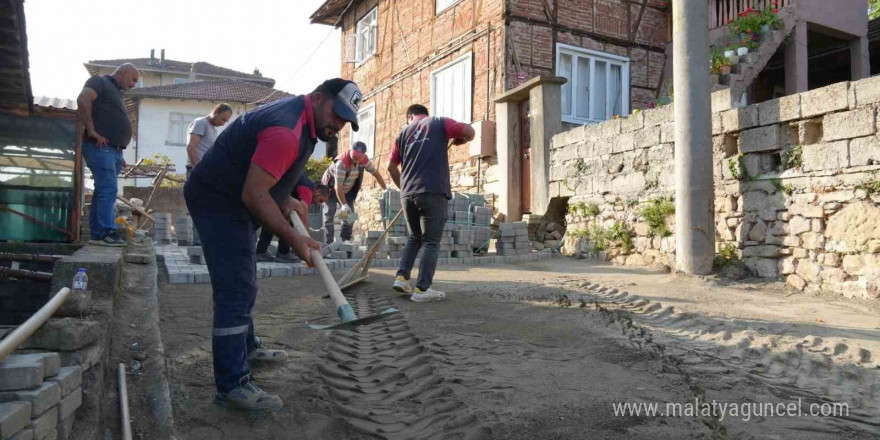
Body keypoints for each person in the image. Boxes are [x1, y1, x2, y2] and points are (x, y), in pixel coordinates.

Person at [184, 78, 362, 411]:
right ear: (319, 97)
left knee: (244, 276)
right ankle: (232, 385)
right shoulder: (287, 129)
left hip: (234, 196)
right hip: (217, 200)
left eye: (345, 120)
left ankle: (246, 346)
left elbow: (274, 184)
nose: (338, 124)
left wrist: (287, 201)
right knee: (236, 287)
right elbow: (254, 194)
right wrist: (293, 236)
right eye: (336, 114)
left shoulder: (310, 127)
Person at [387, 104, 474, 302]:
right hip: (433, 191)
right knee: (431, 241)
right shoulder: (439, 122)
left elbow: (391, 167)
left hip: (408, 194)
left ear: (410, 116)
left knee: (414, 237)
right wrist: (461, 139)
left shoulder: (402, 134)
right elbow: (470, 131)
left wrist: (405, 189)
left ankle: (401, 277)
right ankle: (422, 289)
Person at [76, 63, 139, 246]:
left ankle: (98, 234)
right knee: (108, 189)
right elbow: (83, 99)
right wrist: (92, 130)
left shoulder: (116, 93)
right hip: (100, 147)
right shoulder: (100, 82)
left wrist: (118, 150)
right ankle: (106, 232)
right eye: (133, 79)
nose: (134, 84)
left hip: (113, 151)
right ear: (123, 72)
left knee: (103, 191)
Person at [321, 141, 387, 244]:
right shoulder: (342, 163)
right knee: (329, 215)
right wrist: (344, 205)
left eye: (359, 157)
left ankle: (344, 242)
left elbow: (376, 174)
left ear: (363, 156)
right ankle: (328, 244)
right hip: (331, 190)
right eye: (355, 156)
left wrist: (385, 189)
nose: (357, 159)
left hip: (347, 191)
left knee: (348, 217)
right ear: (351, 151)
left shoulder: (364, 160)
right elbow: (338, 187)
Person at [256, 176, 330, 262]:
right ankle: (281, 252)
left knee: (276, 221)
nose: (318, 204)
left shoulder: (305, 184)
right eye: (320, 200)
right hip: (272, 194)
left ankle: (263, 251)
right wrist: (308, 242)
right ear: (318, 191)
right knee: (279, 223)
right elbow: (304, 216)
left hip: (273, 193)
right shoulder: (308, 189)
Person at [186, 103, 234, 178]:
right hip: (197, 171)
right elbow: (191, 147)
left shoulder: (213, 130)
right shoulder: (201, 123)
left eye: (225, 121)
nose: (223, 124)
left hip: (206, 170)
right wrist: (197, 169)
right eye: (223, 119)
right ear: (215, 112)